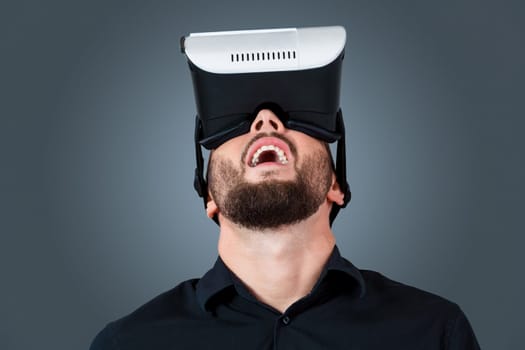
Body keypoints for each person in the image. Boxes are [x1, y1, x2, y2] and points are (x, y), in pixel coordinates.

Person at [90, 26, 480, 349]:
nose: (265, 121)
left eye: (291, 117)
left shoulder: (432, 331)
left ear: (335, 185)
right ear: (210, 197)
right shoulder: (129, 342)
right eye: (241, 121)